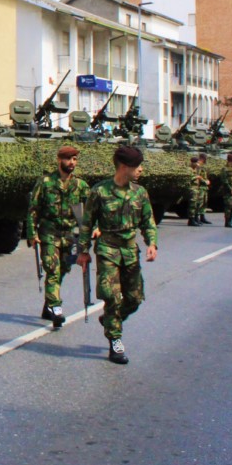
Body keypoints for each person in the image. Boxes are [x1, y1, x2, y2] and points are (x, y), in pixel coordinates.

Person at [78, 144, 157, 365]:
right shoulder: (100, 191)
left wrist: (152, 243)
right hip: (108, 250)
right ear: (124, 166)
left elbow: (148, 221)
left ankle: (111, 320)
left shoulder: (140, 193)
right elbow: (87, 224)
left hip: (130, 251)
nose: (140, 169)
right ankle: (115, 341)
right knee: (111, 296)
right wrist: (83, 252)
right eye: (137, 165)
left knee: (134, 299)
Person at [26, 144, 92, 328]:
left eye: (74, 159)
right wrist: (32, 233)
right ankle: (56, 308)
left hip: (69, 236)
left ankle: (48, 305)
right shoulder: (45, 182)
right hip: (49, 234)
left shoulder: (80, 186)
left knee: (63, 270)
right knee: (52, 270)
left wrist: (93, 228)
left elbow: (90, 212)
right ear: (59, 160)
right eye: (68, 158)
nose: (72, 162)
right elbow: (33, 209)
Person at [187, 154, 211, 226]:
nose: (198, 164)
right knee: (193, 204)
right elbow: (189, 178)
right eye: (196, 163)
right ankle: (191, 220)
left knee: (197, 204)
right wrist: (197, 177)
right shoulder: (189, 169)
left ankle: (195, 219)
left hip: (196, 188)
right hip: (192, 188)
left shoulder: (196, 169)